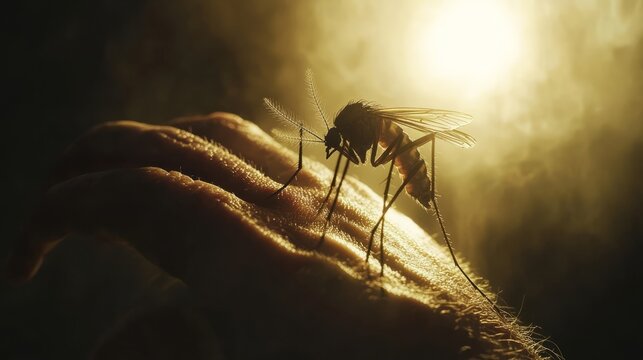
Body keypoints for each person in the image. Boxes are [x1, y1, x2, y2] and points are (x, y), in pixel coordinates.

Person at [7, 113, 545, 359]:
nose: (334, 149)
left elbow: (378, 148)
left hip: (402, 161)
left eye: (335, 141)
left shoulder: (366, 136)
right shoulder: (349, 133)